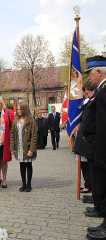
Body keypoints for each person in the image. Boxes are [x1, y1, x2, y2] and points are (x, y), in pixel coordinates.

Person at [82, 56, 106, 240]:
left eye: (90, 73)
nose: (89, 77)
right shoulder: (101, 90)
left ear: (99, 72)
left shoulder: (103, 91)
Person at [74, 81, 97, 195]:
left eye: (87, 93)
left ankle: (91, 187)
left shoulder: (95, 100)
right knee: (85, 164)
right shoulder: (88, 101)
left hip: (91, 139)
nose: (85, 96)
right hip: (85, 137)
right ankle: (89, 185)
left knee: (90, 166)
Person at [10, 102, 37, 192]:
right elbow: (12, 134)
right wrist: (12, 148)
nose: (19, 111)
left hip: (27, 146)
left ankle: (29, 184)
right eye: (17, 109)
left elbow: (34, 136)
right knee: (22, 165)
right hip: (19, 147)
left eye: (20, 109)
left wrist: (32, 149)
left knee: (28, 165)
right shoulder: (16, 121)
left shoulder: (31, 120)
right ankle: (23, 184)